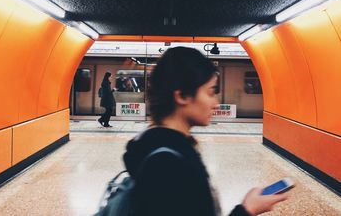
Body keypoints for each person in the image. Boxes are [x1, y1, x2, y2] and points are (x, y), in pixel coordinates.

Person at [122, 47, 288, 216]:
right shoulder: (168, 165)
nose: (215, 103)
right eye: (210, 92)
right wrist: (247, 210)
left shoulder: (153, 145)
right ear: (182, 96)